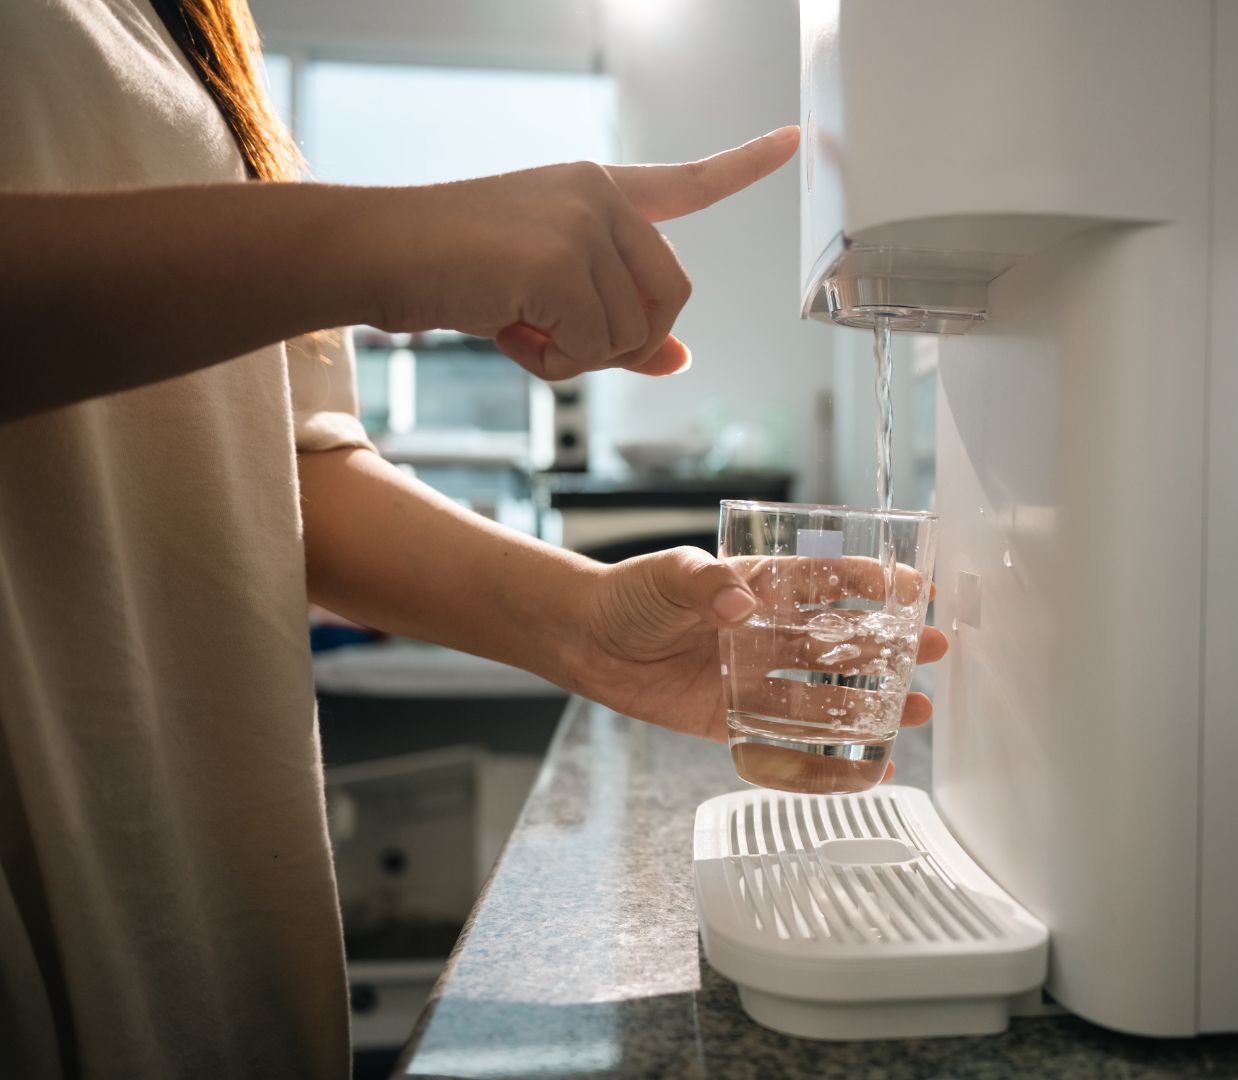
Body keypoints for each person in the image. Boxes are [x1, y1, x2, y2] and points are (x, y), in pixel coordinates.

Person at [0, 1, 947, 1076]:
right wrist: (384, 246)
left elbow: (281, 466)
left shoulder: (204, 21)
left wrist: (592, 627)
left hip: (189, 895)